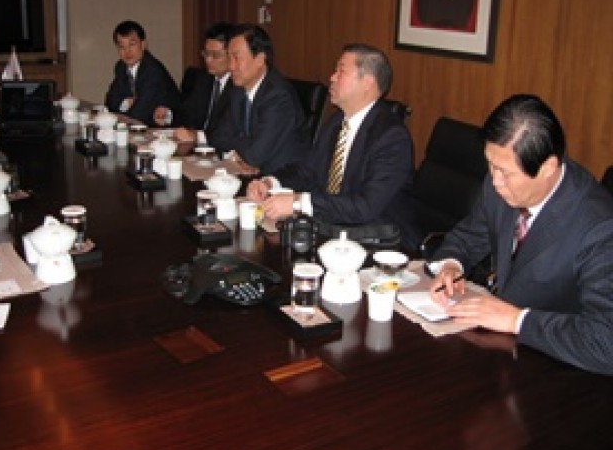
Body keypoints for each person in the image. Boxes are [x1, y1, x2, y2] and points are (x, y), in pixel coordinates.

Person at [429, 94, 613, 375]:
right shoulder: (500, 185)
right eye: (490, 165)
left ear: (548, 168)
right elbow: (469, 235)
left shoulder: (600, 227)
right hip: (504, 354)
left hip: (563, 372)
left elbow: (605, 341)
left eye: (505, 172)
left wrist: (518, 320)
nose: (495, 181)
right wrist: (451, 265)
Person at [246, 43, 422, 252]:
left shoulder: (391, 137)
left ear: (367, 83)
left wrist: (298, 202)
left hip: (378, 241)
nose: (332, 77)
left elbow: (365, 207)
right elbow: (308, 170)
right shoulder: (337, 121)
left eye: (341, 71)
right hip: (333, 229)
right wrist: (270, 182)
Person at [207, 23, 309, 175]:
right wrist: (242, 151)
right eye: (229, 57)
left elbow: (254, 156)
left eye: (237, 58)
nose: (231, 66)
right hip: (249, 173)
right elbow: (217, 137)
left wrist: (238, 147)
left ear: (260, 59)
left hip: (282, 178)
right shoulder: (237, 89)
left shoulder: (279, 96)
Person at [160, 22, 237, 144]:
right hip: (196, 148)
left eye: (216, 55)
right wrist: (168, 115)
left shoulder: (238, 84)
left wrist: (197, 136)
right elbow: (187, 113)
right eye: (206, 53)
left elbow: (228, 131)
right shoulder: (203, 78)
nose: (208, 60)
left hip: (220, 147)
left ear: (232, 55)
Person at [105, 20, 181, 127]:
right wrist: (125, 103)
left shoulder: (153, 70)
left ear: (144, 44)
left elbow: (138, 114)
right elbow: (110, 101)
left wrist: (120, 112)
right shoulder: (121, 67)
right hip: (140, 126)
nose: (127, 51)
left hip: (165, 130)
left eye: (132, 44)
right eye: (122, 46)